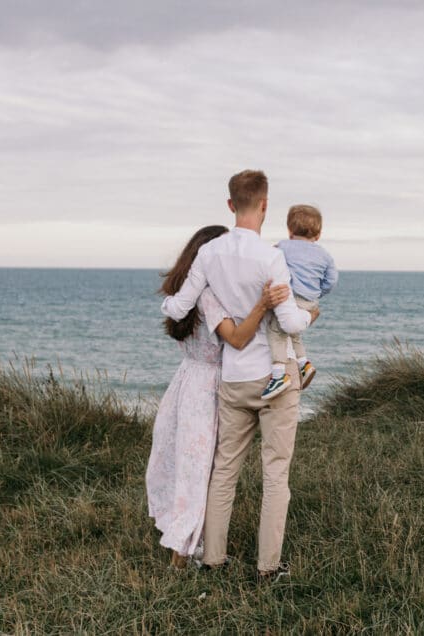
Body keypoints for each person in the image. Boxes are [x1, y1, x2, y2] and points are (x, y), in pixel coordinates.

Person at [161, 169, 318, 581]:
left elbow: (180, 306)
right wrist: (311, 313)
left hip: (232, 379)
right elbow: (292, 323)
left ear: (231, 205)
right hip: (275, 379)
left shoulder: (209, 254)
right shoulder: (272, 257)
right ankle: (267, 568)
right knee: (275, 474)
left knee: (225, 470)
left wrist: (170, 310)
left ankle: (213, 558)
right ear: (265, 205)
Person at [146, 225, 290, 569]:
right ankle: (181, 559)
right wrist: (262, 304)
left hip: (185, 381)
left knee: (186, 469)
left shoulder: (182, 292)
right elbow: (238, 339)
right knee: (199, 473)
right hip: (208, 387)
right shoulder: (208, 296)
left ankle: (190, 548)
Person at [261, 204, 338, 398]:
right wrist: (319, 292)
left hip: (291, 298)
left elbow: (267, 259)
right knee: (294, 333)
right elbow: (332, 280)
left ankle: (278, 375)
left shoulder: (283, 246)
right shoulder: (325, 255)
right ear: (318, 234)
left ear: (289, 230)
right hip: (311, 301)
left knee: (276, 330)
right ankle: (304, 363)